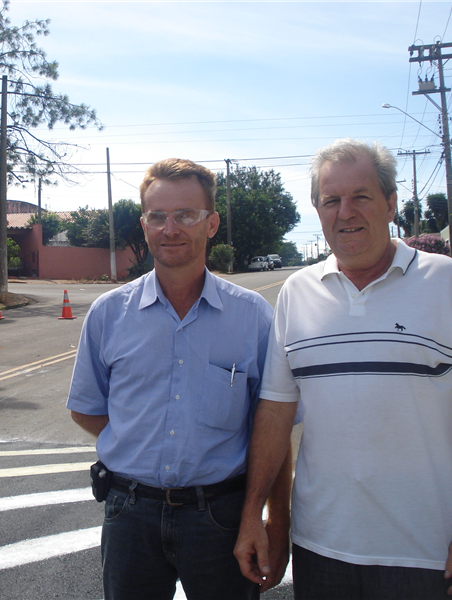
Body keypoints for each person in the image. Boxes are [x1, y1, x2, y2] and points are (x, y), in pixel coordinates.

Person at [234, 138, 452, 599]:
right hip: (322, 551)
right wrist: (256, 514)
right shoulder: (296, 292)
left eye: (361, 196)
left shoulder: (447, 283)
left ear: (391, 203)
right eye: (331, 200)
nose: (345, 212)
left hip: (427, 551)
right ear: (317, 210)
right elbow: (276, 414)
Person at [67, 158, 291, 600]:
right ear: (145, 224)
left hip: (223, 518)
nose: (171, 228)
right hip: (129, 515)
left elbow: (276, 429)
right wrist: (138, 438)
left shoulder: (253, 318)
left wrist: (274, 521)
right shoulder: (109, 314)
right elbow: (86, 409)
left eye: (186, 215)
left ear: (211, 223)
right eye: (158, 216)